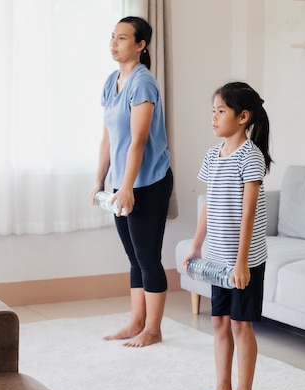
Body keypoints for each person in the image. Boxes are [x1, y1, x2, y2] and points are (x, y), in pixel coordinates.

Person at [183, 82, 272, 390]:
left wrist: (242, 263)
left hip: (244, 261)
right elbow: (208, 204)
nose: (214, 117)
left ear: (242, 117)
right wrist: (195, 246)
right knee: (219, 321)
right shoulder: (212, 154)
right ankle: (223, 387)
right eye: (213, 110)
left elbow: (248, 214)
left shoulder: (251, 157)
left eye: (221, 110)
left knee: (239, 324)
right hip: (218, 259)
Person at [91, 16, 173, 348]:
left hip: (149, 182)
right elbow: (108, 139)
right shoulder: (112, 81)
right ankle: (136, 322)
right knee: (134, 257)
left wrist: (127, 187)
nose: (114, 42)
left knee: (148, 256)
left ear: (140, 45)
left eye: (122, 38)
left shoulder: (143, 83)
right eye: (113, 36)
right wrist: (100, 182)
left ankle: (153, 329)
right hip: (121, 182)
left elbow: (138, 140)